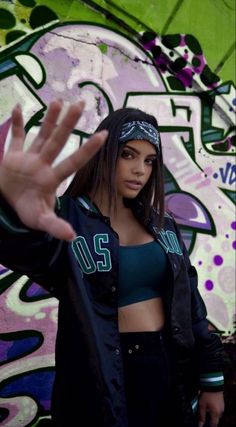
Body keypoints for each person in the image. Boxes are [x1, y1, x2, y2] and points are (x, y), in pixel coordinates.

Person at [0, 100, 225, 427]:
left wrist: (211, 377)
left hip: (170, 368)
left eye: (149, 161)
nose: (140, 170)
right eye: (128, 154)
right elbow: (22, 246)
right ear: (104, 154)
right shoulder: (66, 220)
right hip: (103, 378)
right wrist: (10, 206)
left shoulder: (163, 226)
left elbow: (191, 306)